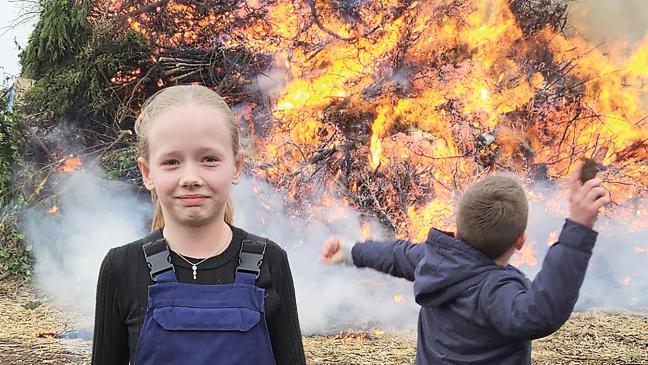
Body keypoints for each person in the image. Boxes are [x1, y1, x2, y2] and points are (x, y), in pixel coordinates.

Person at [92, 85, 306, 365]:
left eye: (209, 159)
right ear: (147, 173)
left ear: (237, 166)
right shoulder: (122, 266)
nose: (190, 177)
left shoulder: (270, 260)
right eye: (171, 162)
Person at [321, 165, 609, 364]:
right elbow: (539, 313)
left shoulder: (432, 261)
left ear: (457, 232)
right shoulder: (495, 292)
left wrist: (352, 251)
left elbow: (397, 254)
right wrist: (577, 231)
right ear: (520, 241)